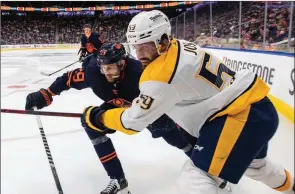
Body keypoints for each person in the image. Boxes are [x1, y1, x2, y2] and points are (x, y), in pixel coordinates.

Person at [81, 10, 295, 194]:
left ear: (163, 40)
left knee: (195, 178)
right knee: (257, 167)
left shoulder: (161, 73)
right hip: (257, 108)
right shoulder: (180, 45)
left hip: (240, 117)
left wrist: (98, 117)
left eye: (145, 46)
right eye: (135, 46)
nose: (139, 54)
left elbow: (132, 122)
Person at [25, 42, 193, 194]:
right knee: (91, 123)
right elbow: (68, 79)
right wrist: (47, 93)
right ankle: (117, 178)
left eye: (111, 68)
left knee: (172, 136)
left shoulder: (141, 73)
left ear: (122, 64)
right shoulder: (94, 73)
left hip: (148, 107)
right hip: (121, 107)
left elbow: (167, 90)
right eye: (104, 68)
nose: (107, 72)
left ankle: (199, 158)